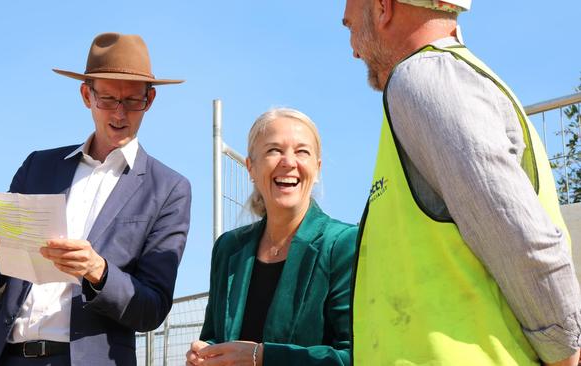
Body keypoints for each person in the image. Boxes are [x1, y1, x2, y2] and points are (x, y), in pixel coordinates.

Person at [342, 0, 581, 365]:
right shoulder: (450, 81)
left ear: (383, 8)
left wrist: (565, 354)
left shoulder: (422, 79)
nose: (353, 48)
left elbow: (522, 239)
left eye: (351, 27)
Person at [0, 32, 191, 365]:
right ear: (86, 95)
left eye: (132, 101)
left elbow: (151, 309)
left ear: (150, 100)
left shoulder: (168, 189)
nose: (120, 113)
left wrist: (99, 271)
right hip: (2, 356)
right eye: (108, 99)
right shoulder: (37, 167)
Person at [186, 108, 356, 365]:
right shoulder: (228, 248)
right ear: (250, 167)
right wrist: (204, 354)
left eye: (302, 151)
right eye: (274, 150)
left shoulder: (343, 244)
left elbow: (355, 355)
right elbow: (214, 336)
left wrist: (263, 357)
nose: (288, 162)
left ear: (317, 168)